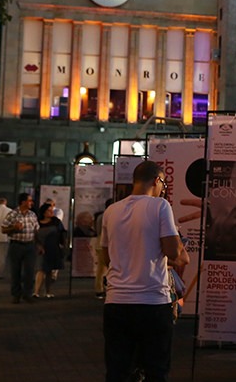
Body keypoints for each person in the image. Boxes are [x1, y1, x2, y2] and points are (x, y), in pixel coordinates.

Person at [100, 160, 189, 382]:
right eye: (164, 185)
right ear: (157, 180)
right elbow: (174, 251)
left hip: (116, 301)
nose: (163, 190)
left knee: (117, 370)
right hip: (152, 302)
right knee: (156, 370)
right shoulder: (160, 206)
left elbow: (106, 257)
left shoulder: (111, 211)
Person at [2, 192, 39, 304]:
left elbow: (36, 230)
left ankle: (27, 294)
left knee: (29, 271)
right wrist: (14, 227)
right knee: (15, 271)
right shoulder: (12, 214)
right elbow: (3, 229)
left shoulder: (32, 215)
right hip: (16, 245)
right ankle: (16, 295)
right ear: (23, 202)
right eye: (29, 200)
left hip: (30, 245)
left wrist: (39, 244)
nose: (31, 203)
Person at [34, 202, 67, 298]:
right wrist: (38, 245)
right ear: (44, 212)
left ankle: (48, 291)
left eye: (52, 210)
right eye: (49, 210)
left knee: (49, 270)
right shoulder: (38, 222)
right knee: (41, 268)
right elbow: (35, 234)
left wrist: (63, 245)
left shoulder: (56, 222)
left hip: (53, 247)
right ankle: (36, 291)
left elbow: (62, 234)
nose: (51, 212)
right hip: (41, 247)